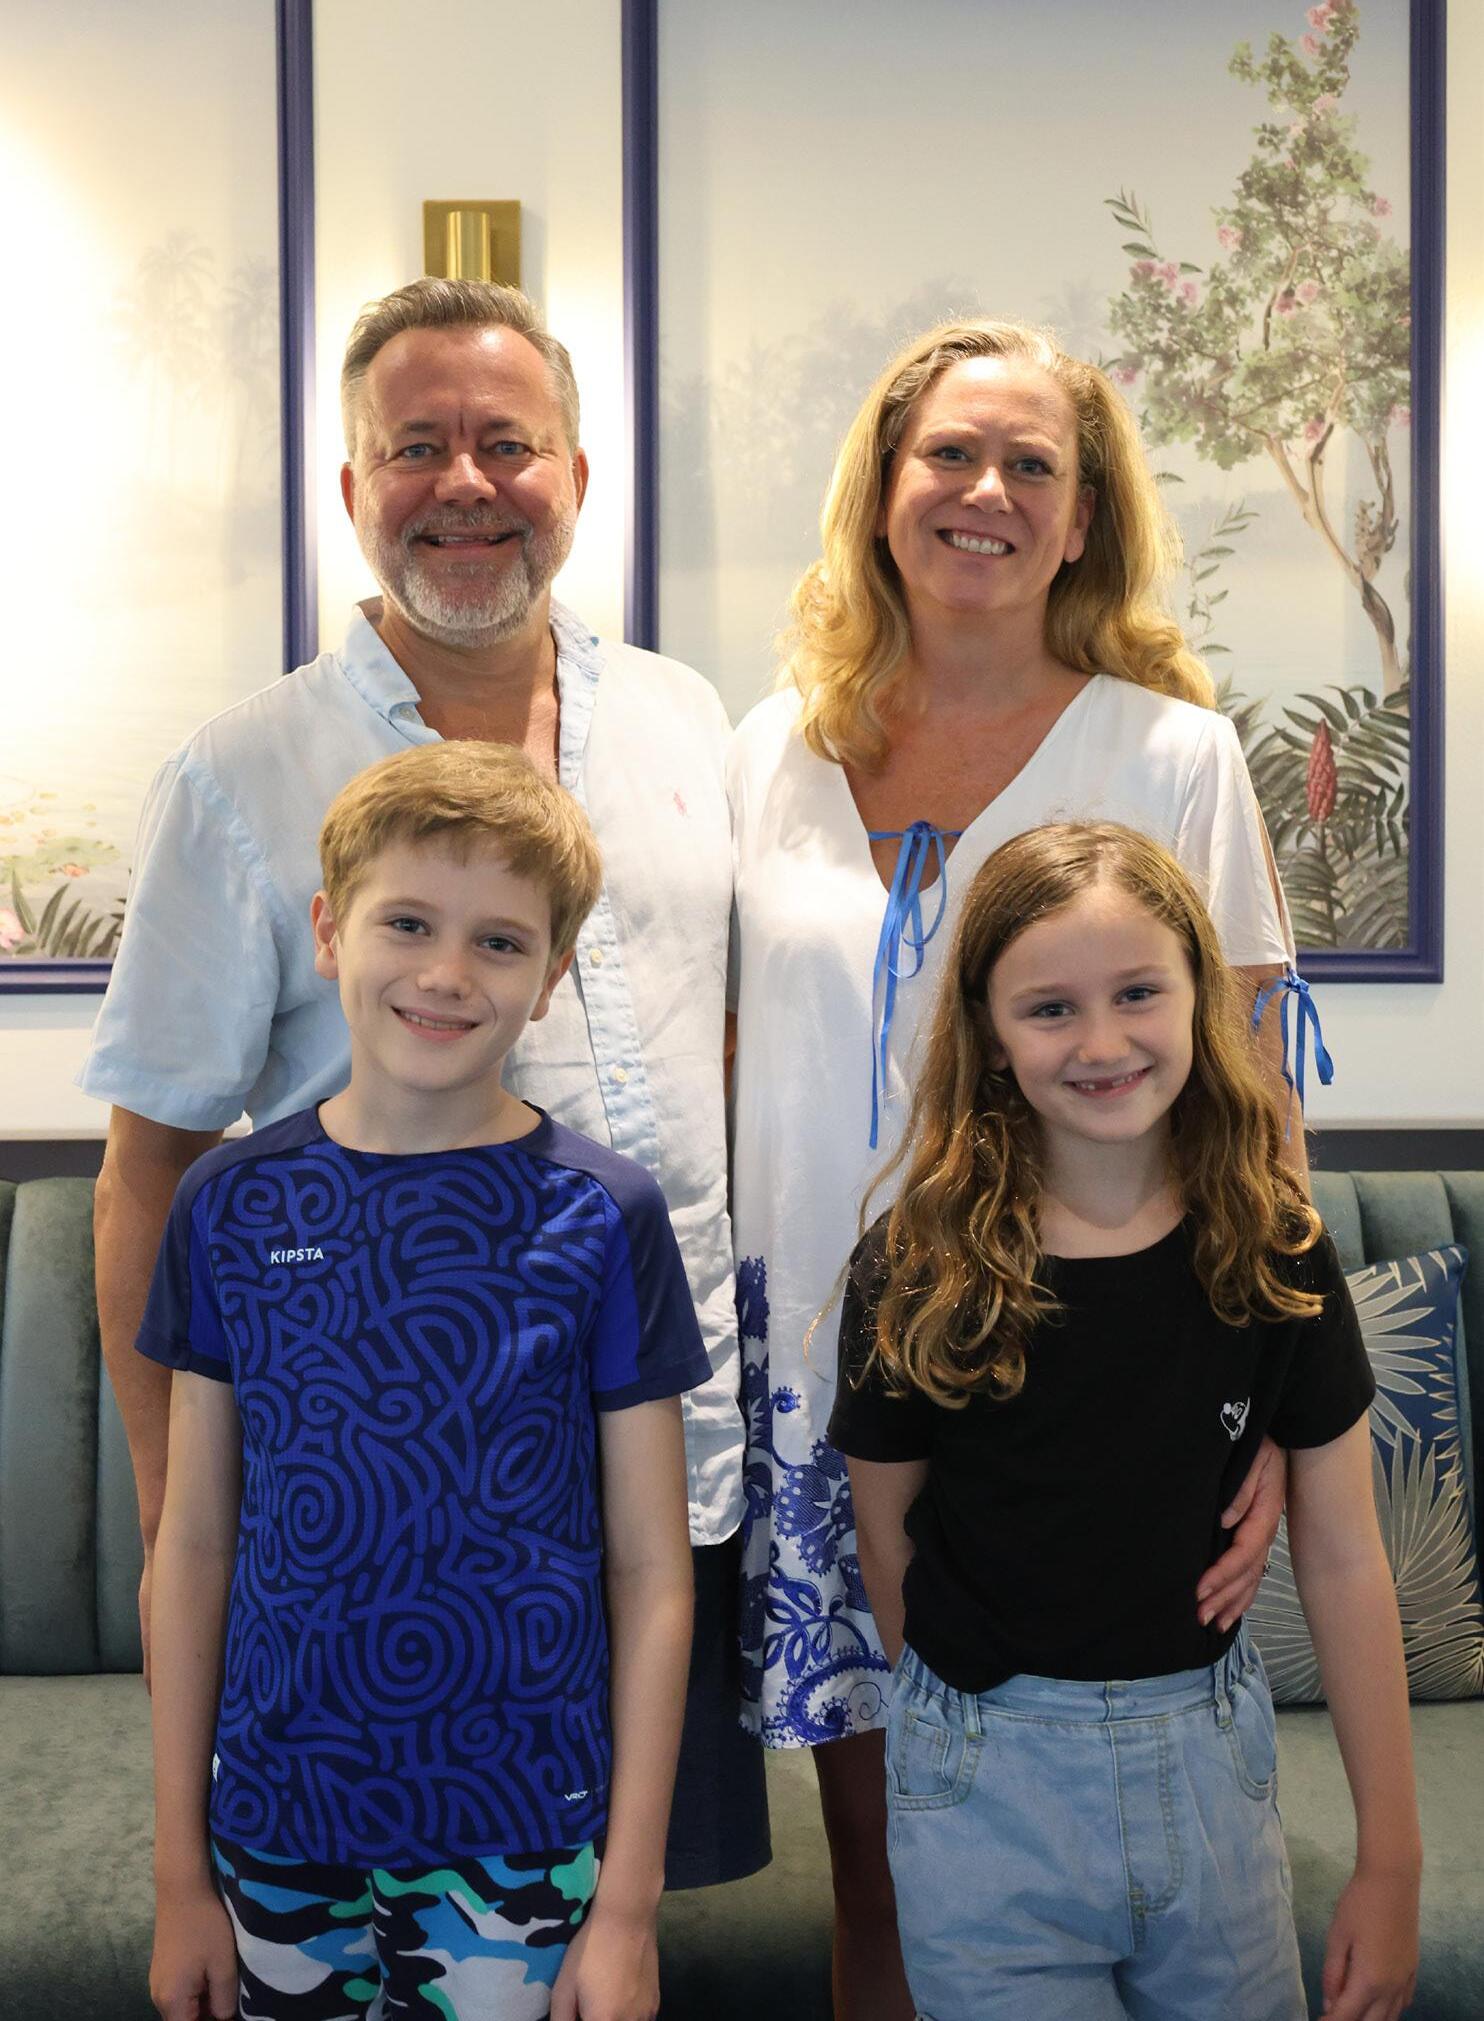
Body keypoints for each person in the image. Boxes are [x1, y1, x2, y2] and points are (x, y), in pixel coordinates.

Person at [82, 277, 767, 1890]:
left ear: (577, 476)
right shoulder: (238, 774)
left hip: (670, 1478)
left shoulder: (685, 721)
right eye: (415, 447)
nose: (464, 483)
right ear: (352, 487)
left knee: (611, 1935)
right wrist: (180, 1509)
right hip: (377, 1514)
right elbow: (147, 1170)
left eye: (506, 444)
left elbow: (727, 1055)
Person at [727, 319, 1300, 2015]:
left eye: (1030, 464)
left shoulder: (1171, 754)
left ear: (1080, 519)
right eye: (950, 454)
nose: (985, 489)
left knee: (1072, 1859)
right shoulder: (767, 750)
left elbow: (1252, 1104)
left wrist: (1273, 1395)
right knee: (883, 1884)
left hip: (1087, 1385)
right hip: (829, 1387)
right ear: (880, 489)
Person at [145, 741, 702, 2021]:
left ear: (551, 978)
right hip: (275, 1819)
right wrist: (180, 1872)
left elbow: (650, 1570)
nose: (447, 973)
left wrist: (628, 1901)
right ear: (328, 932)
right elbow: (195, 1542)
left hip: (523, 1829)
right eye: (407, 922)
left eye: (499, 942)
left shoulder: (604, 1214)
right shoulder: (228, 1204)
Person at [830, 822, 1419, 2021]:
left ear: (1201, 994)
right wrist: (957, 1724)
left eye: (1137, 992)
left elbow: (1345, 1553)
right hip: (981, 1785)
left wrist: (1392, 1855)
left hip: (1209, 1771)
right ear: (989, 1032)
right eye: (1049, 1007)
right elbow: (885, 1535)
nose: (1100, 1042)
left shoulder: (1275, 1247)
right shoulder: (914, 1263)